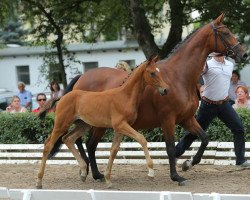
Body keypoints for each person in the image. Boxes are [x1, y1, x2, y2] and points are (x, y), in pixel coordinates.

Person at [175, 52, 250, 168]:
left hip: (224, 104)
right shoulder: (207, 64)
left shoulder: (230, 64)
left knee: (239, 129)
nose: (218, 52)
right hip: (208, 105)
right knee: (194, 133)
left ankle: (240, 161)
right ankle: (175, 154)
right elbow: (198, 71)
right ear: (212, 53)